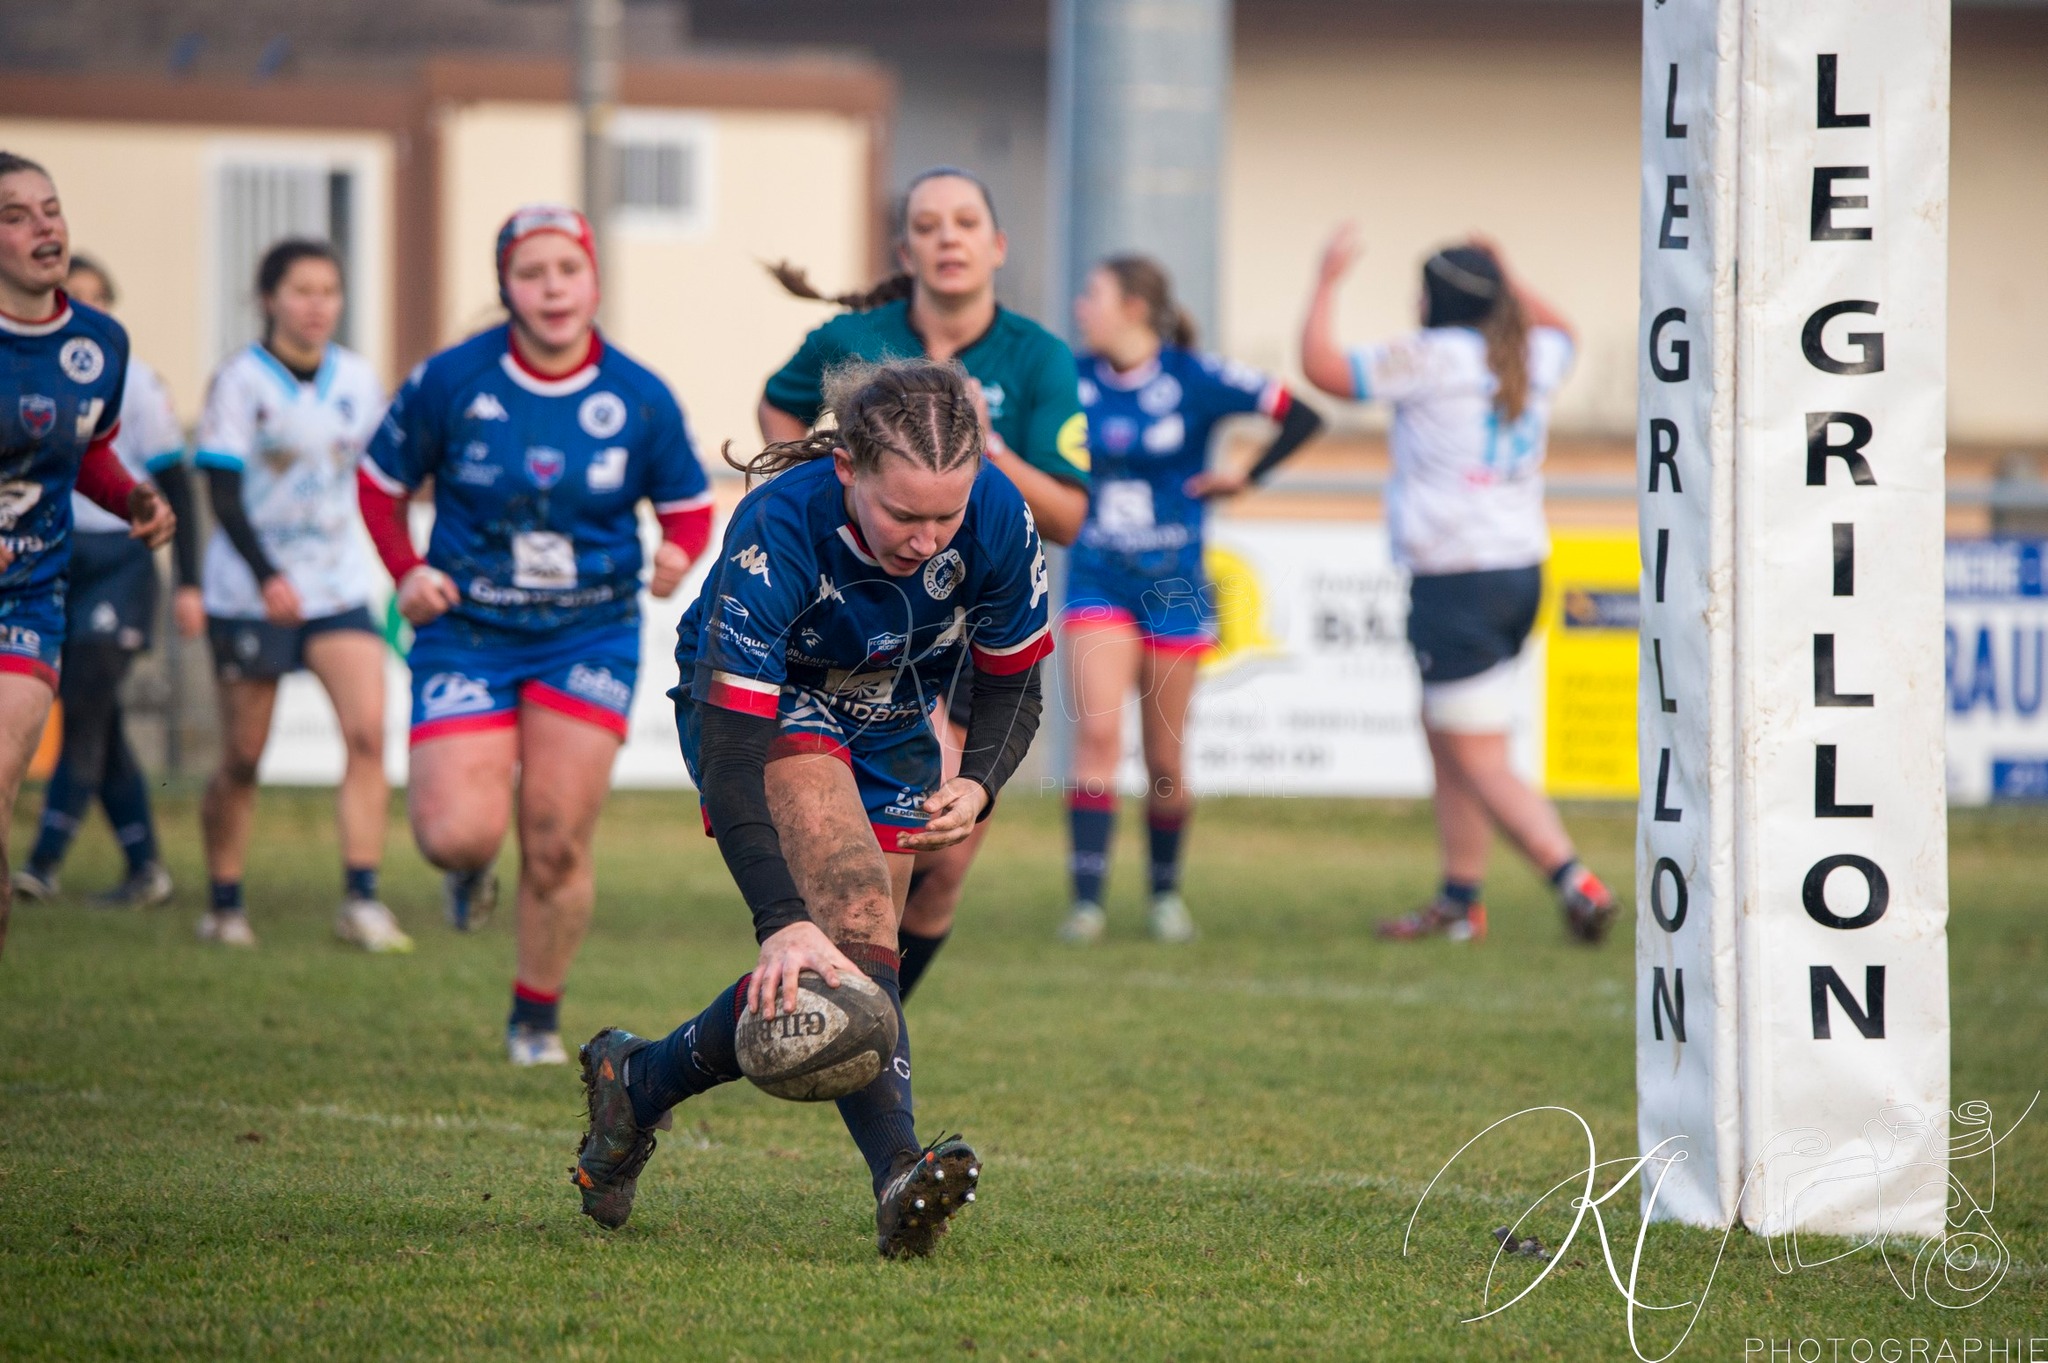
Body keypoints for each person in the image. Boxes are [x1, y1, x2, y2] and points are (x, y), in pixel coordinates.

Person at [571, 358, 1049, 1259]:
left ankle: (636, 1081)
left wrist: (980, 779)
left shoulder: (997, 511)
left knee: (863, 961)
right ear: (847, 471)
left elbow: (1015, 676)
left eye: (945, 515)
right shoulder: (777, 531)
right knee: (848, 915)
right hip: (771, 705)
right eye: (903, 514)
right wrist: (778, 919)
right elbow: (733, 755)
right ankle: (900, 1173)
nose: (927, 538)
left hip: (893, 705)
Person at [359, 204, 714, 1065]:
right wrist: (407, 568)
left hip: (586, 633)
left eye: (569, 269)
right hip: (468, 629)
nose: (553, 289)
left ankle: (534, 1018)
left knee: (555, 837)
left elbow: (691, 507)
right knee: (457, 832)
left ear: (593, 278)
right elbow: (379, 482)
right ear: (505, 287)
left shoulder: (638, 393)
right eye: (532, 272)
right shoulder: (450, 380)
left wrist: (676, 555)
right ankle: (469, 873)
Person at [759, 165, 1087, 998]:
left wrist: (973, 443)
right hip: (864, 607)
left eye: (966, 222)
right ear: (905, 250)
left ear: (997, 246)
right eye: (929, 225)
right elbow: (778, 404)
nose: (949, 238)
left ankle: (873, 1019)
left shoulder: (1039, 356)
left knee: (944, 855)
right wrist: (802, 485)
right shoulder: (852, 340)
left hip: (969, 620)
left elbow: (1069, 515)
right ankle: (856, 1012)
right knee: (881, 842)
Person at [1299, 225, 1616, 944]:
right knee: (1448, 736)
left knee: (1478, 754)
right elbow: (1566, 328)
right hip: (1518, 572)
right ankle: (1460, 898)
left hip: (1456, 582)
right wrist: (1508, 273)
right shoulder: (1530, 352)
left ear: (1432, 300)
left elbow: (1323, 367)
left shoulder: (1432, 358)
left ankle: (1577, 880)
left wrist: (1326, 280)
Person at [1056, 255, 1324, 946]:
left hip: (1174, 586)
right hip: (1097, 577)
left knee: (1166, 758)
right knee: (1096, 736)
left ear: (1135, 308)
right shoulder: (1069, 377)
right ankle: (1085, 903)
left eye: (1094, 294)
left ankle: (1164, 894)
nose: (1081, 305)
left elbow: (1301, 414)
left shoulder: (1193, 378)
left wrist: (1247, 474)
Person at [183, 238, 404, 953]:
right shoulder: (241, 381)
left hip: (336, 585)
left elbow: (381, 477)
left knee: (368, 735)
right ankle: (223, 902)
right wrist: (266, 573)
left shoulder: (358, 380)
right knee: (244, 754)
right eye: (302, 290)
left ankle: (362, 899)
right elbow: (219, 488)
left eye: (329, 291)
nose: (317, 306)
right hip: (251, 591)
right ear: (269, 298)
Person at [0, 152, 176, 956]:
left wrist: (132, 495)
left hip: (29, 597)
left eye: (52, 207)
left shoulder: (100, 342)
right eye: (17, 215)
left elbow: (89, 452)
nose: (46, 226)